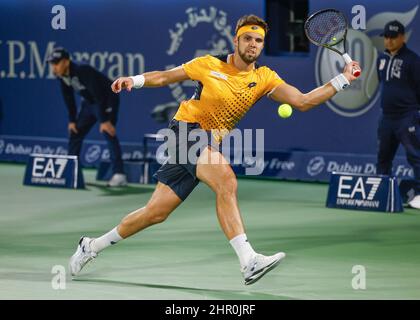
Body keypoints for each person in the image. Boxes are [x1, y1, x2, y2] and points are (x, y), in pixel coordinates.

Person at [69, 15, 360, 285]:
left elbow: (304, 101)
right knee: (226, 180)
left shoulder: (265, 78)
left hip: (207, 144)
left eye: (258, 40)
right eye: (248, 38)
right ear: (236, 40)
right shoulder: (208, 64)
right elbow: (164, 77)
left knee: (154, 213)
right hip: (185, 132)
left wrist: (343, 78)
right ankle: (249, 261)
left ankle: (90, 246)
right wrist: (134, 80)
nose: (253, 45)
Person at [47, 47, 127, 187]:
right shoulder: (61, 76)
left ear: (66, 62)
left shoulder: (83, 70)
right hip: (90, 103)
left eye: (56, 63)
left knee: (108, 131)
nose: (54, 67)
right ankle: (72, 172)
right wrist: (72, 120)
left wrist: (104, 120)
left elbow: (99, 94)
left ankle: (119, 174)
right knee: (75, 132)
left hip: (107, 99)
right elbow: (69, 98)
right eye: (52, 64)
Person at [376, 21, 420, 209]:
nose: (389, 41)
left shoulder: (413, 60)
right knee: (383, 157)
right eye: (386, 37)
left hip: (407, 116)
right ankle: (382, 193)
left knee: (415, 156)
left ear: (403, 37)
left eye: (393, 37)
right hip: (387, 117)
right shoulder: (381, 59)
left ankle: (419, 194)